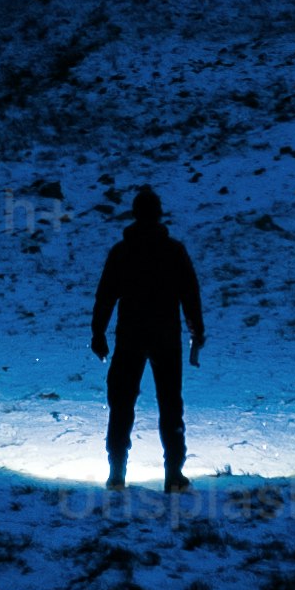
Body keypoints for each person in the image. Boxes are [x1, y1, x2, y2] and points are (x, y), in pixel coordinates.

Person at [88, 185, 205, 492]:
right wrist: (197, 332)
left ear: (136, 214)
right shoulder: (173, 251)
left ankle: (116, 473)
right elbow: (190, 295)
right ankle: (173, 474)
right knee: (170, 404)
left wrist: (98, 332)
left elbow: (106, 296)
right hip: (166, 336)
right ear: (159, 214)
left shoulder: (122, 251)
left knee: (122, 404)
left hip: (130, 336)